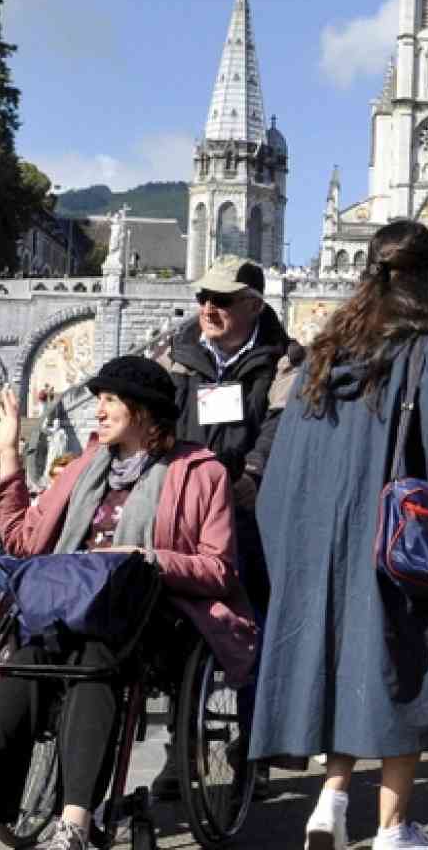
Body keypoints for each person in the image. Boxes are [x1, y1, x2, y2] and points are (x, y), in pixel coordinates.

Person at [0, 361, 255, 850]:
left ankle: (73, 825)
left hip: (149, 615)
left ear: (144, 412)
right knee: (26, 656)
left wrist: (145, 557)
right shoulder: (85, 466)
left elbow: (219, 570)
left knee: (95, 657)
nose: (99, 410)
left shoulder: (200, 471)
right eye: (99, 399)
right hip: (71, 603)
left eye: (110, 400)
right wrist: (8, 456)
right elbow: (22, 542)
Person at [250, 220, 428, 850]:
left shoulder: (328, 347)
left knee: (343, 661)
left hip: (320, 538)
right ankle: (392, 827)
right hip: (400, 537)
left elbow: (289, 454)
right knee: (405, 666)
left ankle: (329, 803)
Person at [154, 256, 287, 796]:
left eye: (223, 300)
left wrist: (252, 473)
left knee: (255, 630)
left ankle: (253, 752)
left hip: (250, 513)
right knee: (179, 629)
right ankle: (179, 750)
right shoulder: (178, 355)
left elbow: (280, 426)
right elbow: (157, 417)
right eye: (203, 298)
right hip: (187, 508)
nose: (208, 308)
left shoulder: (284, 360)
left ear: (253, 304)